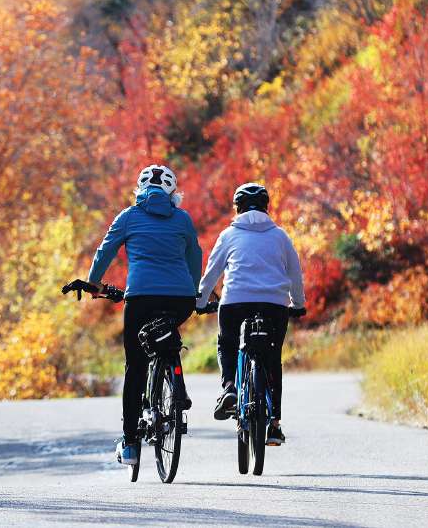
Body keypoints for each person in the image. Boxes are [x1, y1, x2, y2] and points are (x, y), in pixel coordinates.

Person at [87, 164, 202, 467]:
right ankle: (176, 380)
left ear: (139, 189)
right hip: (180, 300)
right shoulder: (183, 219)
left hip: (140, 299)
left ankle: (129, 444)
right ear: (172, 191)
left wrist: (94, 282)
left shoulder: (128, 217)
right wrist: (193, 291)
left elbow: (105, 251)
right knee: (166, 335)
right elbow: (195, 257)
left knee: (135, 365)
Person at [196, 182, 305, 446]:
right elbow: (295, 273)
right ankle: (275, 424)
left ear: (237, 208)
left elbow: (212, 273)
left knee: (227, 343)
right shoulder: (280, 236)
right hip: (274, 305)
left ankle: (230, 388)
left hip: (236, 302)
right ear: (266, 207)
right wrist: (298, 304)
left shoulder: (229, 235)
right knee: (272, 359)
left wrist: (200, 302)